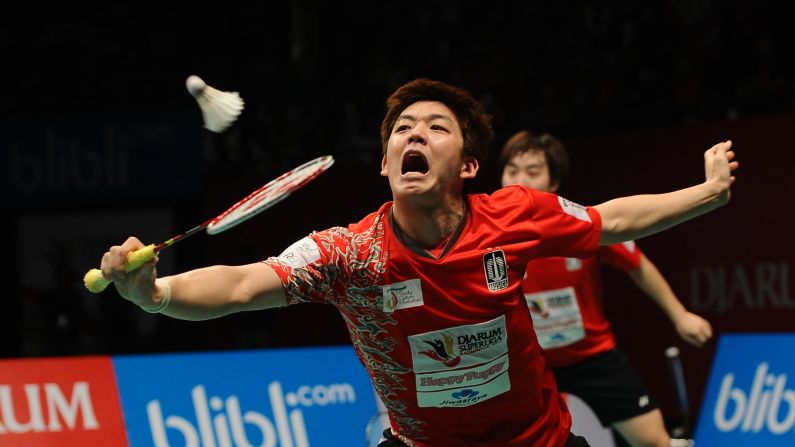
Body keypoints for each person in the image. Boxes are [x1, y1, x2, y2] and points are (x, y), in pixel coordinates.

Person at [99, 79, 738, 447]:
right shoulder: (348, 253)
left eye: (435, 127)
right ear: (384, 164)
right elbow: (241, 284)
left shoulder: (513, 215)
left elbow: (612, 221)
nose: (413, 135)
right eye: (402, 128)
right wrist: (154, 293)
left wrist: (707, 195)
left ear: (466, 165)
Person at [499, 130, 714, 447]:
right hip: (527, 363)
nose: (520, 180)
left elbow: (637, 263)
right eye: (512, 170)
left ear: (553, 183)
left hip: (592, 357)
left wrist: (679, 314)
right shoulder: (490, 233)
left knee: (654, 442)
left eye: (533, 172)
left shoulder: (576, 224)